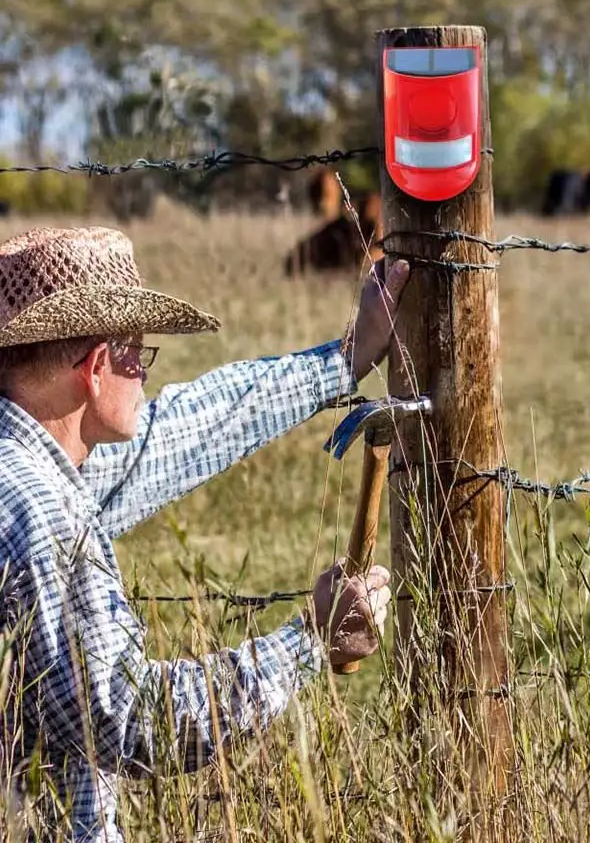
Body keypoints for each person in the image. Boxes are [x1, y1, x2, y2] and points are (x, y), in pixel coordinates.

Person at [0, 225, 410, 842]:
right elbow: (132, 718)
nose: (144, 372)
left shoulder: (36, 462)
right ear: (93, 368)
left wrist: (345, 359)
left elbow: (191, 427)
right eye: (138, 351)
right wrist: (310, 640)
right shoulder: (40, 512)